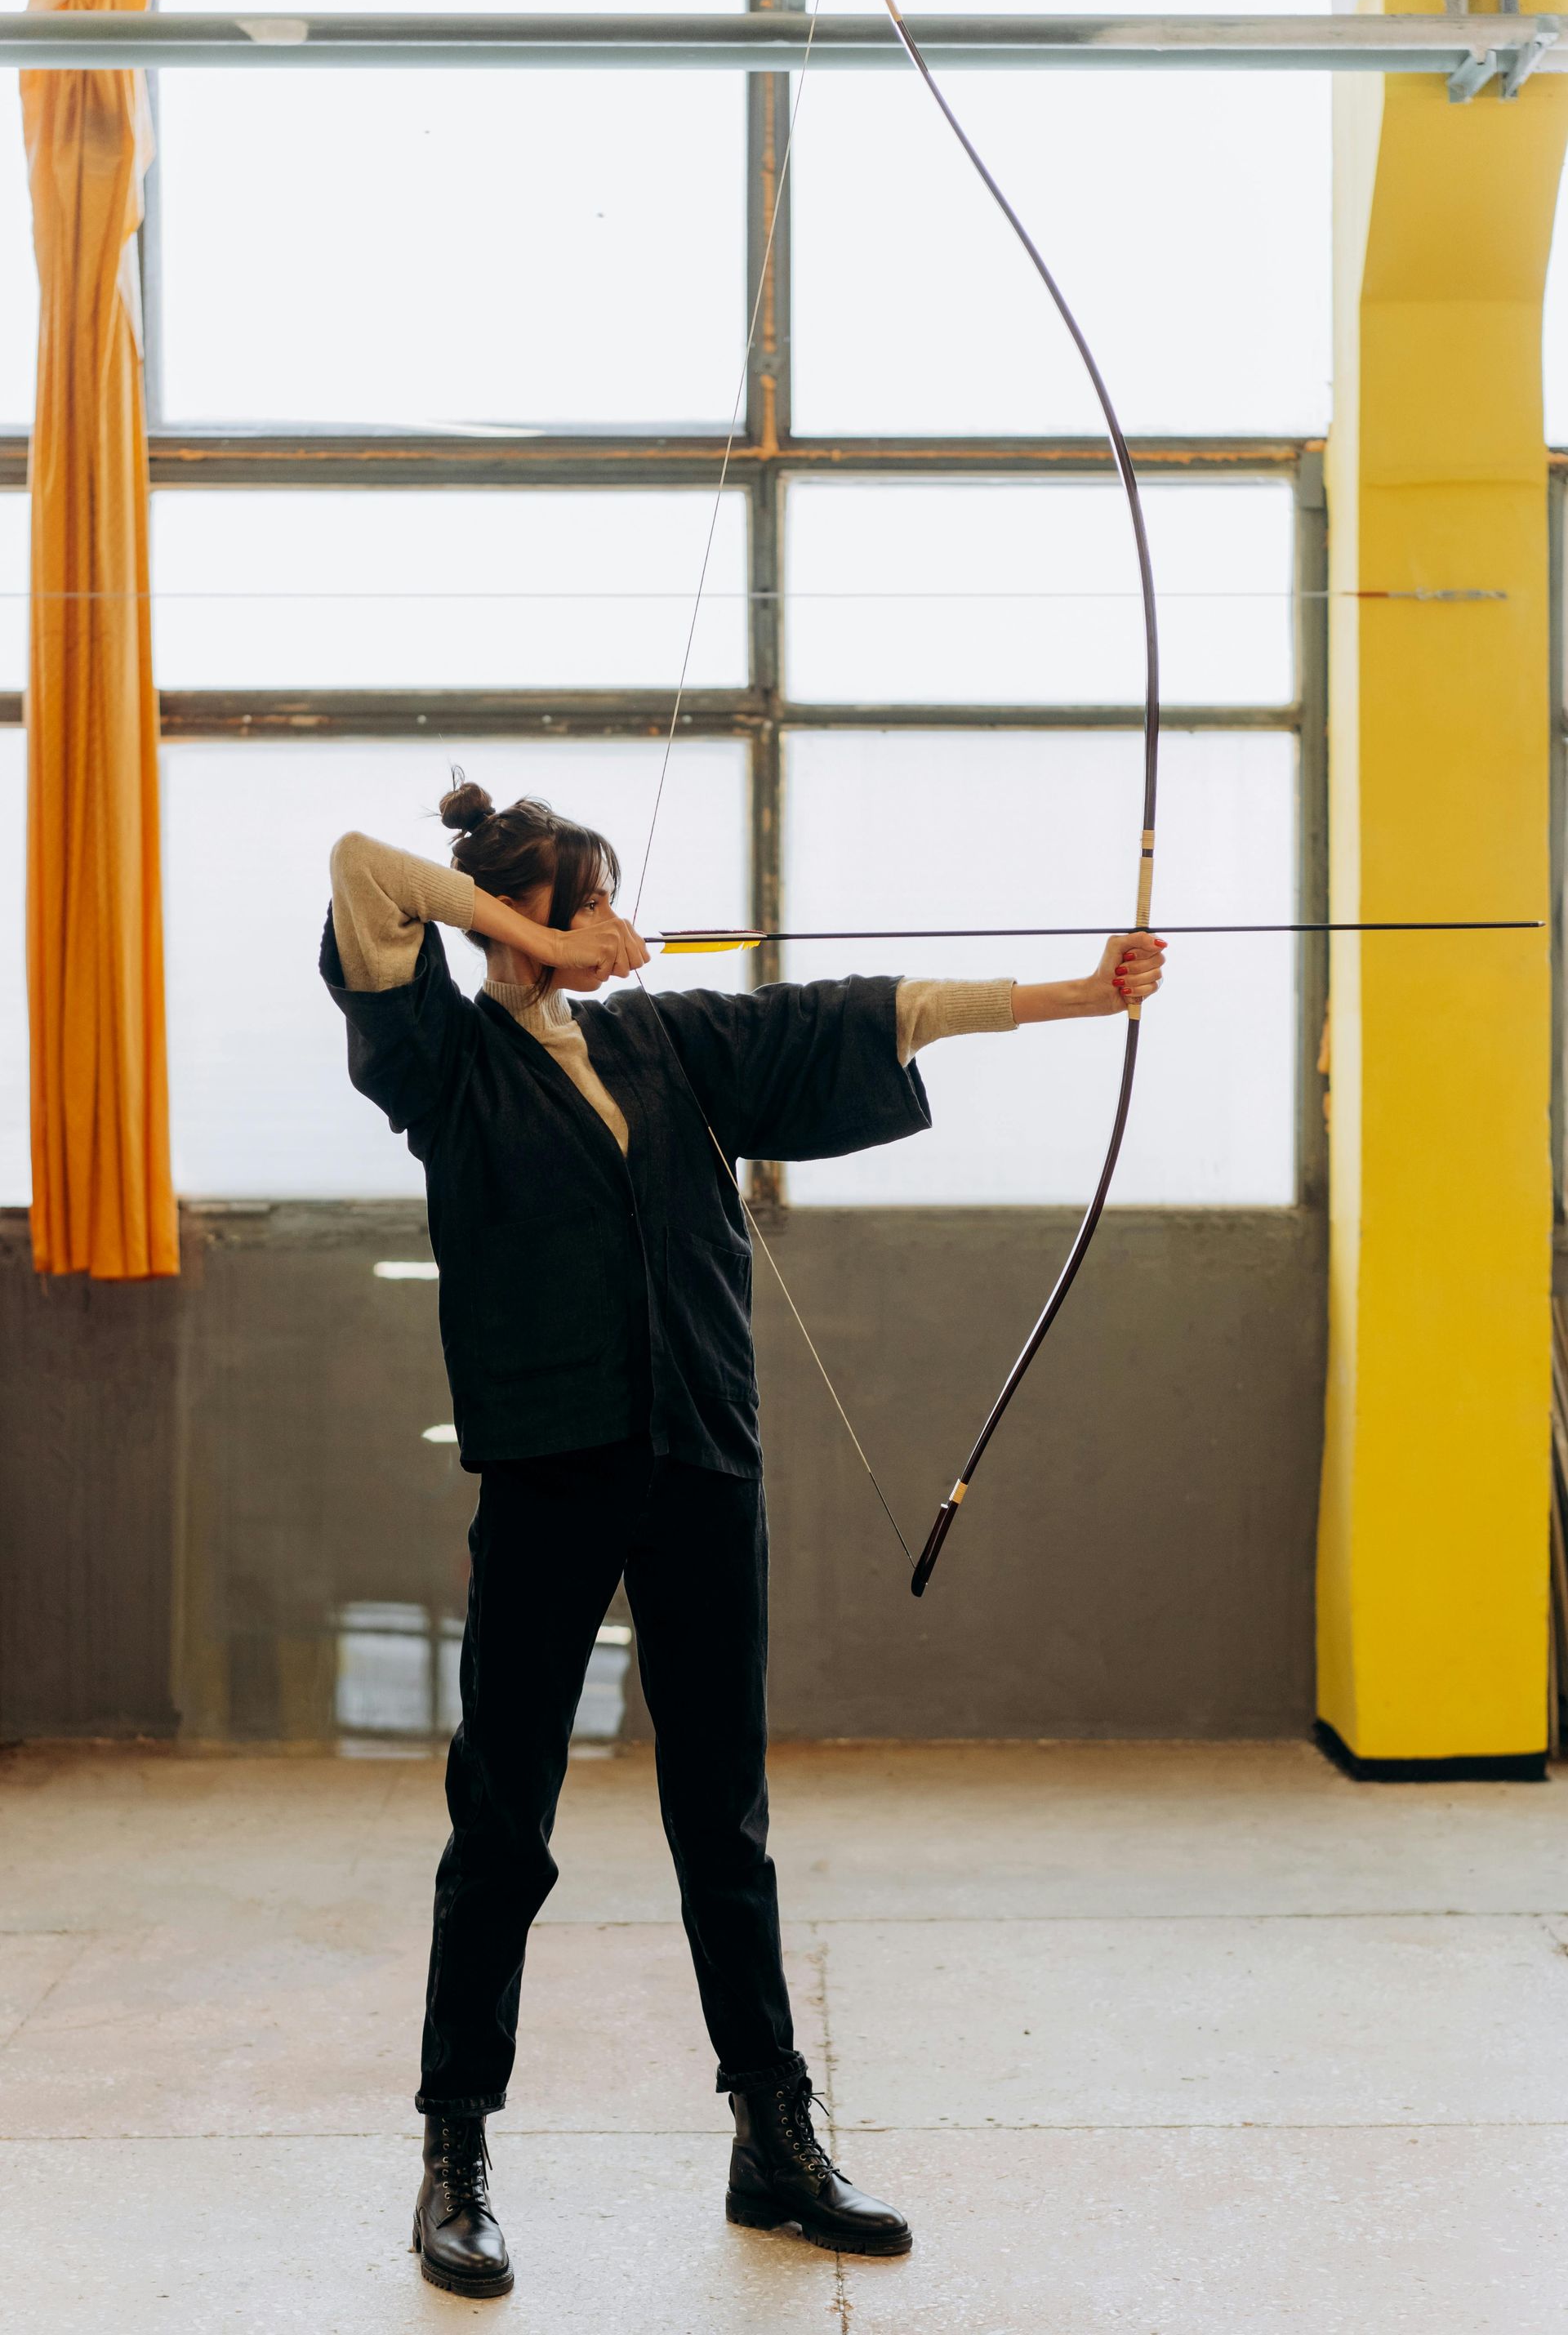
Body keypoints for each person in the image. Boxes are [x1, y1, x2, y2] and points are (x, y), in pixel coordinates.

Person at [321, 781, 1167, 2299]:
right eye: (584, 903)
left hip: (702, 1460)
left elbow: (865, 1012)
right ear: (527, 915)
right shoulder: (440, 1058)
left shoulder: (672, 1044)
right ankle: (455, 2151)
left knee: (727, 1817)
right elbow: (366, 870)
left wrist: (1079, 997)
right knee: (502, 1817)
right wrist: (531, 934)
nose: (613, 929)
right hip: (549, 1472)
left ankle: (771, 2136)